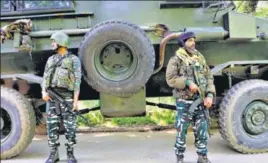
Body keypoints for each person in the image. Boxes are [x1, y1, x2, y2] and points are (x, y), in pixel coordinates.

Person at [166, 31, 216, 163]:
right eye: (189, 40)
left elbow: (209, 77)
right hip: (184, 101)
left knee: (202, 130)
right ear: (183, 43)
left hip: (200, 101)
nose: (193, 42)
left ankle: (202, 157)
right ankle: (180, 158)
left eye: (194, 40)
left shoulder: (200, 58)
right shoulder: (176, 59)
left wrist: (210, 95)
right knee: (181, 131)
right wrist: (187, 83)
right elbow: (171, 79)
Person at [42, 31, 82, 163]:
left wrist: (75, 101)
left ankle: (70, 154)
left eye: (54, 41)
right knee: (51, 127)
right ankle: (54, 154)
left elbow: (77, 81)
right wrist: (44, 92)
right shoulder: (51, 60)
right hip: (52, 98)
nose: (52, 44)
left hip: (67, 98)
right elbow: (45, 77)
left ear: (61, 42)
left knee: (70, 128)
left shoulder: (74, 60)